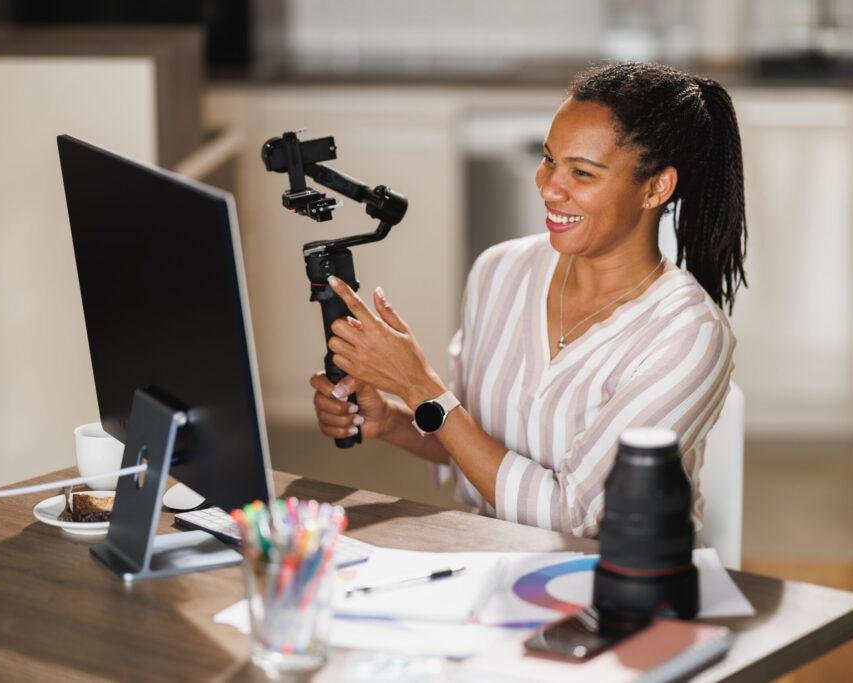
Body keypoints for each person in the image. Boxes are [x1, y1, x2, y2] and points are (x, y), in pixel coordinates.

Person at [310, 62, 747, 538]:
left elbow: (575, 518)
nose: (549, 186)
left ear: (655, 187)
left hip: (623, 587)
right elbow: (467, 441)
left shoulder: (688, 336)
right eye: (549, 159)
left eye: (582, 173)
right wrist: (392, 420)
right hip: (497, 564)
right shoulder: (500, 271)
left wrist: (418, 386)